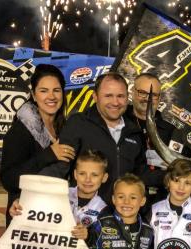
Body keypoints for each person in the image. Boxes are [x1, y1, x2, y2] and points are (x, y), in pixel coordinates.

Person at [40, 72, 147, 203]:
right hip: (83, 216)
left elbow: (141, 177)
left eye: (120, 96)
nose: (115, 102)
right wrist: (32, 200)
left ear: (127, 98)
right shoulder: (78, 124)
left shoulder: (134, 131)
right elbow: (57, 170)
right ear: (95, 96)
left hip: (121, 216)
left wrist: (173, 174)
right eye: (108, 96)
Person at [0, 64, 75, 227]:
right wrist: (49, 154)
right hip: (24, 217)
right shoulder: (21, 130)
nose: (51, 96)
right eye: (43, 90)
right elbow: (8, 179)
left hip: (56, 217)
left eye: (56, 90)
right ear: (34, 95)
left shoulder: (65, 129)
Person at [128, 73, 191, 207]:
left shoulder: (172, 131)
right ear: (132, 92)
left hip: (161, 205)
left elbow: (185, 170)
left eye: (153, 95)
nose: (147, 98)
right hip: (125, 201)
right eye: (142, 92)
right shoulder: (119, 123)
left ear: (159, 98)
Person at [8, 149, 109, 238]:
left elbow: (104, 241)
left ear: (104, 177)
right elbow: (36, 207)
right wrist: (21, 204)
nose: (88, 179)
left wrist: (88, 236)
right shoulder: (59, 194)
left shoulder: (103, 209)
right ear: (75, 174)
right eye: (82, 173)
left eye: (94, 175)